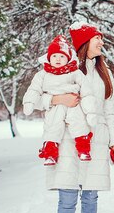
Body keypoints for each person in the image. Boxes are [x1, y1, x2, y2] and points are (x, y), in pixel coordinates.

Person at [31, 23, 114, 213]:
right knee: (68, 195)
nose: (101, 42)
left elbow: (110, 111)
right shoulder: (63, 68)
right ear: (84, 43)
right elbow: (36, 99)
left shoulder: (105, 72)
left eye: (101, 38)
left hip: (98, 138)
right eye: (96, 38)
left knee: (91, 195)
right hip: (69, 138)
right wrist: (58, 99)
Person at [22, 34, 96, 166]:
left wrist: (91, 112)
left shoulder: (75, 72)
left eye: (62, 56)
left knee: (78, 123)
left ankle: (84, 149)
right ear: (49, 58)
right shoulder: (43, 74)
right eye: (54, 56)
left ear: (67, 59)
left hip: (74, 105)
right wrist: (29, 102)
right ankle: (50, 153)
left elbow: (87, 92)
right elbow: (34, 89)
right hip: (54, 108)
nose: (58, 59)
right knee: (53, 126)